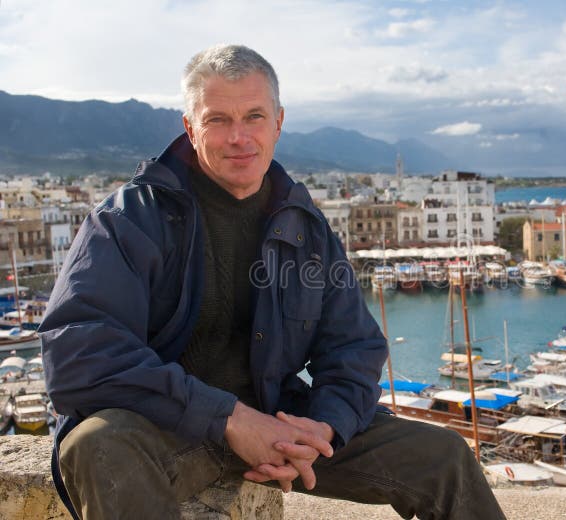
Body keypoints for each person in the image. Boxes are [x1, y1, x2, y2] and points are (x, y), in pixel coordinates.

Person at [40, 44, 505, 520]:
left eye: (254, 116)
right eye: (218, 119)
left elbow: (354, 348)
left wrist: (324, 428)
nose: (239, 137)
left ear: (278, 123)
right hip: (166, 427)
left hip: (280, 423)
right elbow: (78, 351)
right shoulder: (129, 220)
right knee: (97, 445)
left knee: (445, 456)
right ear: (190, 127)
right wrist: (229, 418)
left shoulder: (306, 229)